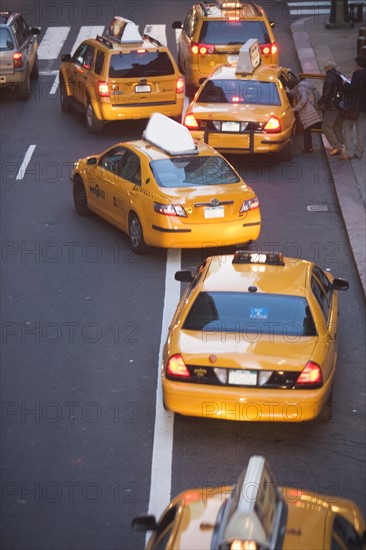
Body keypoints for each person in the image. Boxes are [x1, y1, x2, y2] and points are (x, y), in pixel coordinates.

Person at [339, 56, 366, 160]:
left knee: (348, 128)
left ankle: (349, 152)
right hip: (363, 107)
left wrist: (345, 83)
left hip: (353, 106)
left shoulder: (357, 74)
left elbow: (352, 87)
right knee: (361, 129)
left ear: (358, 64)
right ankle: (359, 152)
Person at [287, 77, 323, 153]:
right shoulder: (302, 86)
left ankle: (308, 148)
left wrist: (295, 108)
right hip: (309, 110)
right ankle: (308, 148)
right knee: (307, 129)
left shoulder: (300, 88)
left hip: (307, 111)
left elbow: (304, 99)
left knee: (307, 129)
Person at [317, 61, 344, 155]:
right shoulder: (339, 76)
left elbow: (326, 95)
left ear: (328, 68)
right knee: (337, 126)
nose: (324, 70)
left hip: (331, 106)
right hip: (339, 104)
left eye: (325, 68)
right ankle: (342, 145)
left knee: (326, 127)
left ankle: (337, 146)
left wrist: (319, 103)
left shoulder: (329, 79)